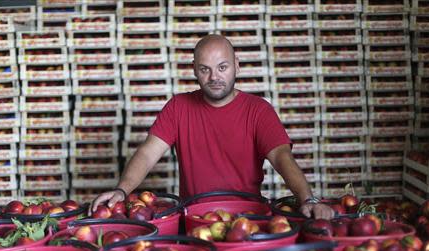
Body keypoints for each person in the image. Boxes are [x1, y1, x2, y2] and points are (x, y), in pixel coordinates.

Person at [91, 34, 334, 220]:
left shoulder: (258, 110)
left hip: (247, 219)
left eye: (222, 67)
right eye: (205, 69)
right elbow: (147, 153)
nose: (214, 77)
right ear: (194, 70)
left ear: (237, 66)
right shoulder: (178, 107)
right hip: (195, 219)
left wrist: (307, 198)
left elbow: (282, 157)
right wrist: (122, 191)